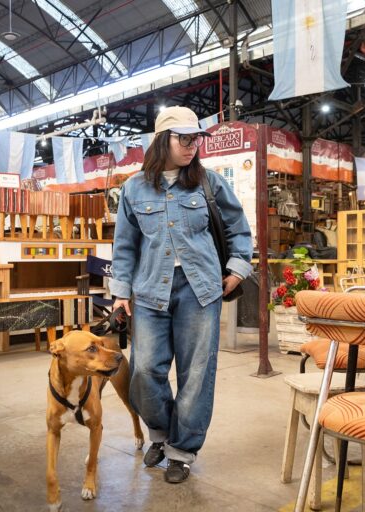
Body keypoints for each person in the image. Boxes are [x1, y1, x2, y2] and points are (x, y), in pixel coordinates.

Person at [108, 106, 253, 483]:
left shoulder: (209, 183)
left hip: (200, 290)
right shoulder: (133, 188)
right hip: (150, 291)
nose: (192, 147)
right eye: (183, 139)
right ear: (162, 140)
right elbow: (124, 246)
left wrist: (238, 269)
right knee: (144, 370)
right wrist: (120, 291)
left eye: (196, 139)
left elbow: (238, 229)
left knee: (196, 373)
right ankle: (160, 433)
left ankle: (182, 451)